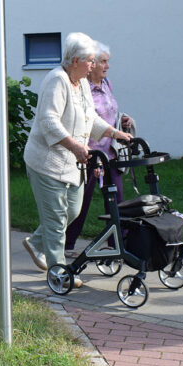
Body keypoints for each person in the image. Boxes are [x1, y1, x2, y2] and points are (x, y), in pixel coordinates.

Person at [22, 33, 132, 286]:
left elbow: (90, 117)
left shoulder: (81, 82)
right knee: (56, 220)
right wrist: (74, 146)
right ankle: (59, 272)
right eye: (90, 60)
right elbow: (48, 121)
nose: (93, 65)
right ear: (75, 61)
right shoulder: (56, 80)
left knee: (72, 211)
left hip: (72, 163)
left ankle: (35, 242)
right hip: (47, 162)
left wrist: (113, 132)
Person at [64, 42, 135, 251]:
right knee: (80, 204)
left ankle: (118, 244)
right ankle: (66, 244)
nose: (107, 66)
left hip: (110, 154)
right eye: (103, 61)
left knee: (117, 202)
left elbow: (109, 112)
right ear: (92, 64)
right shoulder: (82, 88)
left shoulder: (107, 84)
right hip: (89, 155)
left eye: (107, 61)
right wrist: (88, 156)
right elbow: (81, 122)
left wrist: (122, 122)